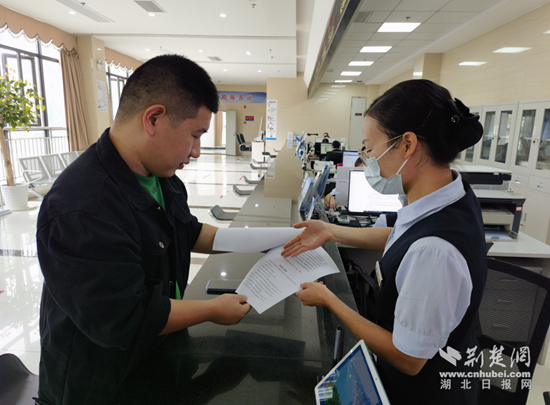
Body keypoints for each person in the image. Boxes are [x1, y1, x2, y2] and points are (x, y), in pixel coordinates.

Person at [36, 55, 251, 405]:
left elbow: (187, 232)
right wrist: (213, 309)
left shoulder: (161, 176)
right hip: (100, 384)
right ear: (153, 119)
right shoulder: (82, 206)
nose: (197, 151)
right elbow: (126, 318)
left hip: (156, 355)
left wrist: (267, 240)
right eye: (194, 135)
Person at [282, 79, 486, 405]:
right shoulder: (447, 194)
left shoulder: (435, 252)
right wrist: (332, 231)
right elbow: (403, 236)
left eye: (369, 148)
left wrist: (330, 300)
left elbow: (409, 358)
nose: (366, 159)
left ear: (407, 144)